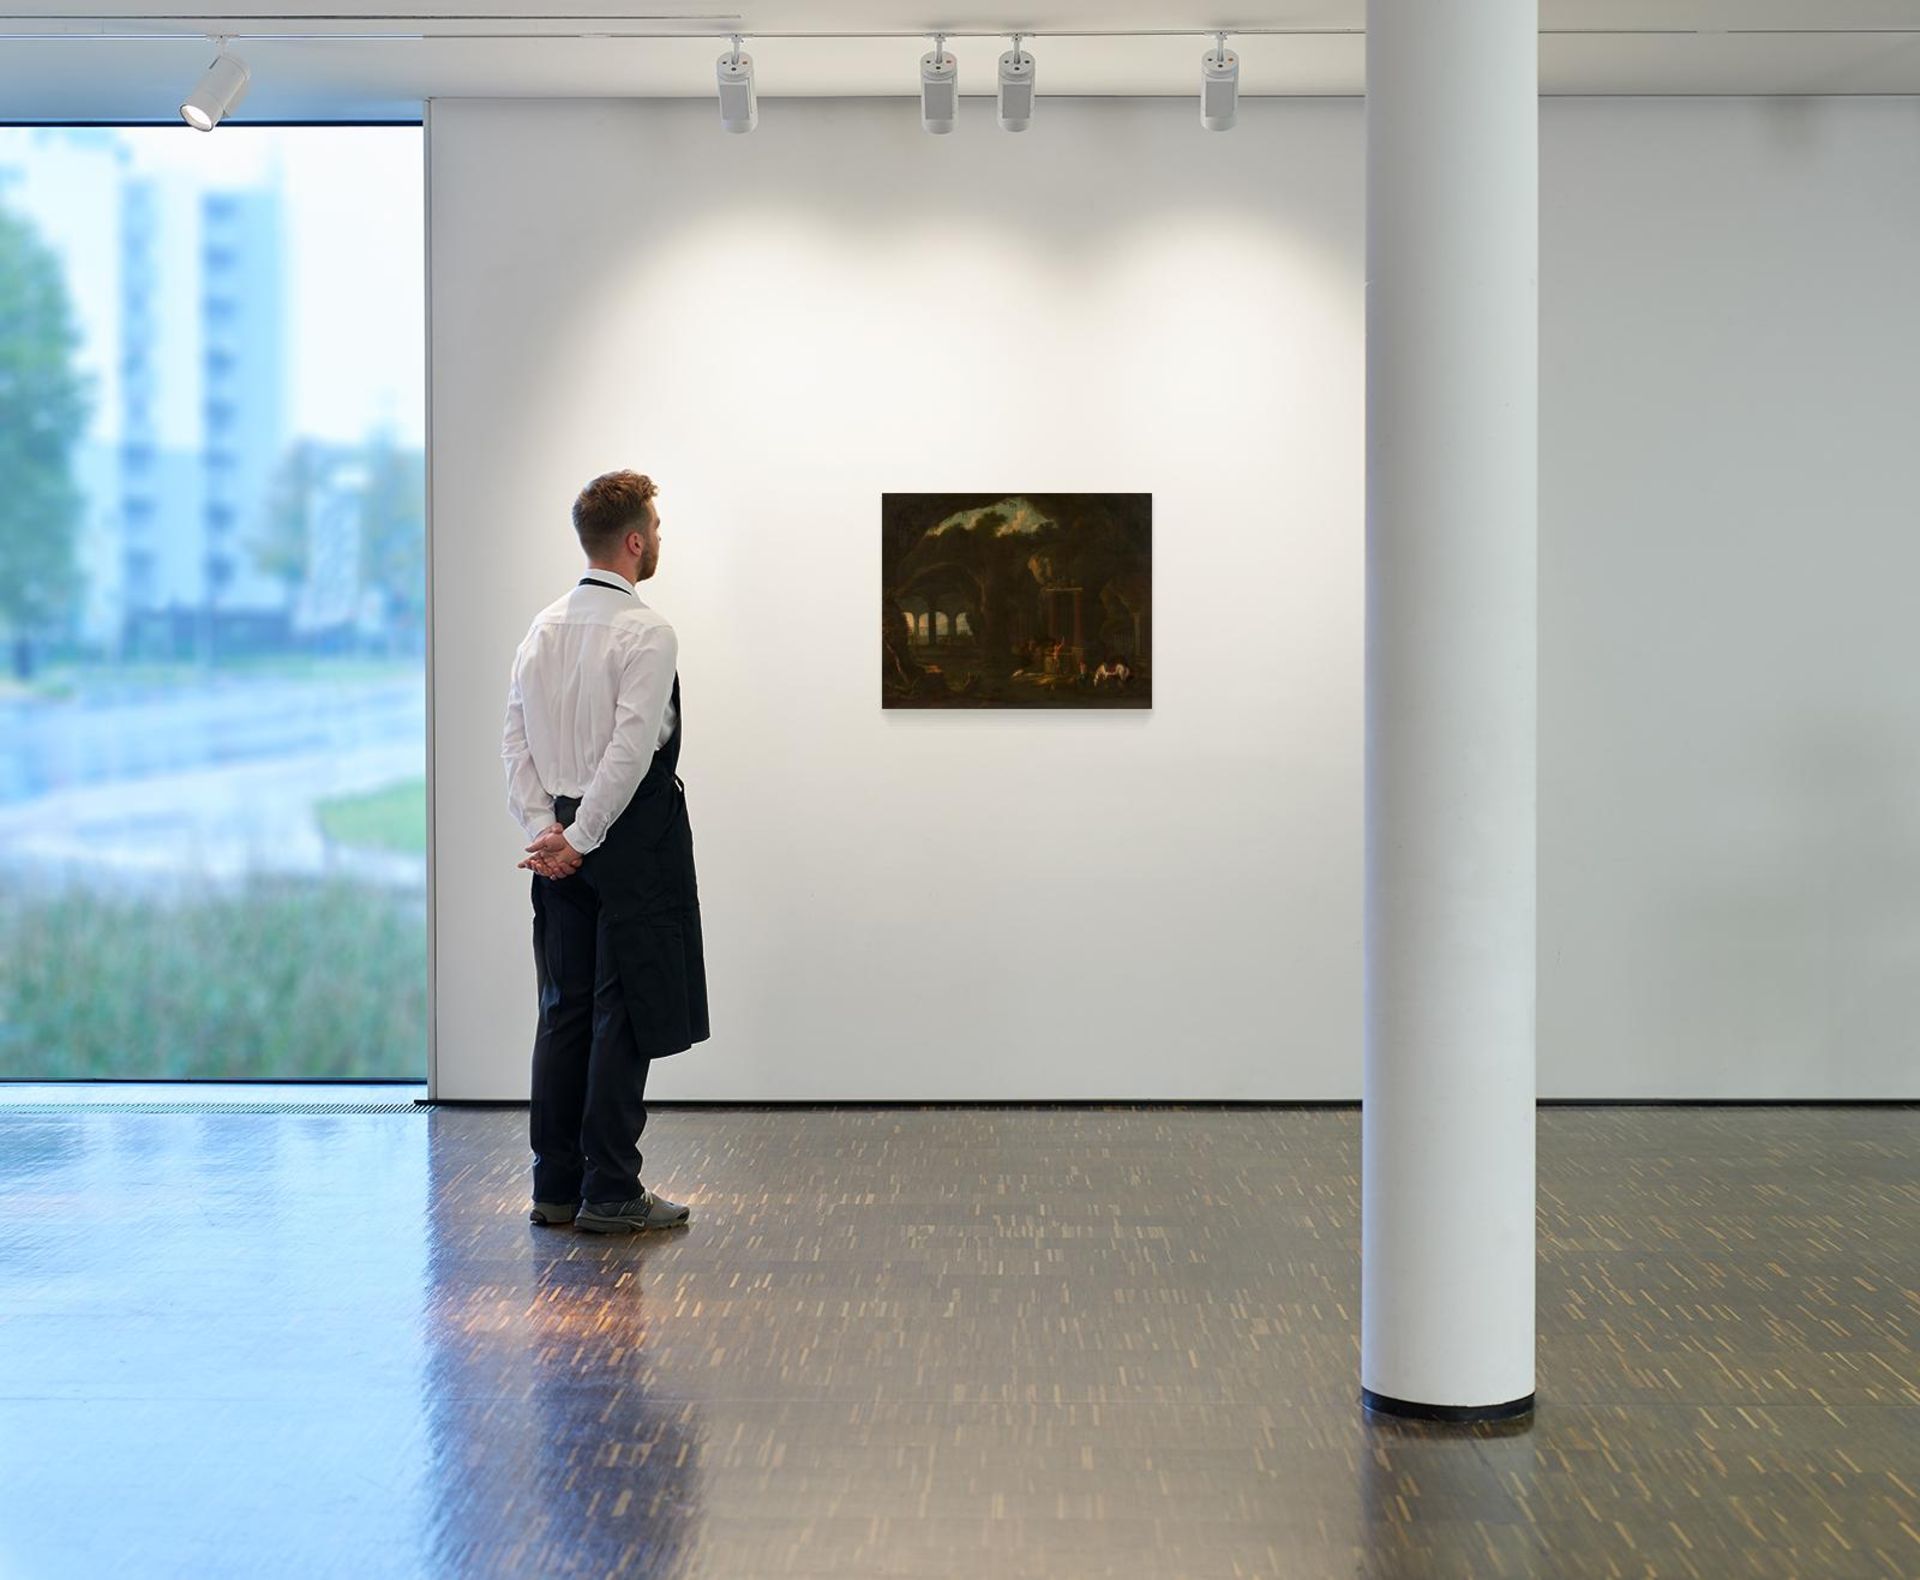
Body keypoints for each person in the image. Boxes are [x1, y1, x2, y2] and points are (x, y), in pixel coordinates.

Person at [500, 469, 710, 1234]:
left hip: (560, 837)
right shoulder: (648, 631)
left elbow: (515, 740)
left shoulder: (542, 627)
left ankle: (555, 1186)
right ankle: (613, 1189)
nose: (659, 539)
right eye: (655, 527)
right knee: (622, 1013)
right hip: (623, 840)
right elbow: (629, 753)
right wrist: (583, 838)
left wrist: (545, 832)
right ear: (633, 540)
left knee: (563, 1010)